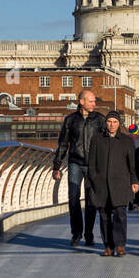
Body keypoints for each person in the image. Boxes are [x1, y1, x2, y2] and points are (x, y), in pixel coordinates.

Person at [52, 88, 106, 247]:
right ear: (81, 102)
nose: (94, 104)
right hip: (75, 162)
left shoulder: (99, 120)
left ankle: (89, 234)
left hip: (93, 165)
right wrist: (56, 166)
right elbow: (63, 144)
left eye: (94, 101)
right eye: (91, 101)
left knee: (91, 201)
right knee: (73, 198)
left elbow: (106, 143)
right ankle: (76, 234)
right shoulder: (70, 120)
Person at [87, 110, 139, 256]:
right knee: (104, 216)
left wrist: (134, 181)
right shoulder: (97, 139)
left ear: (119, 124)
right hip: (101, 184)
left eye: (115, 122)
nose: (111, 125)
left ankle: (120, 245)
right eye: (109, 122)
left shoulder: (127, 141)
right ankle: (108, 246)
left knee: (120, 215)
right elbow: (91, 162)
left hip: (120, 183)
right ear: (106, 123)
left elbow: (132, 165)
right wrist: (93, 179)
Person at [127, 122, 139, 210]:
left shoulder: (125, 139)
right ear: (137, 130)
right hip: (138, 164)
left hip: (127, 165)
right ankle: (136, 202)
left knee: (129, 183)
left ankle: (130, 202)